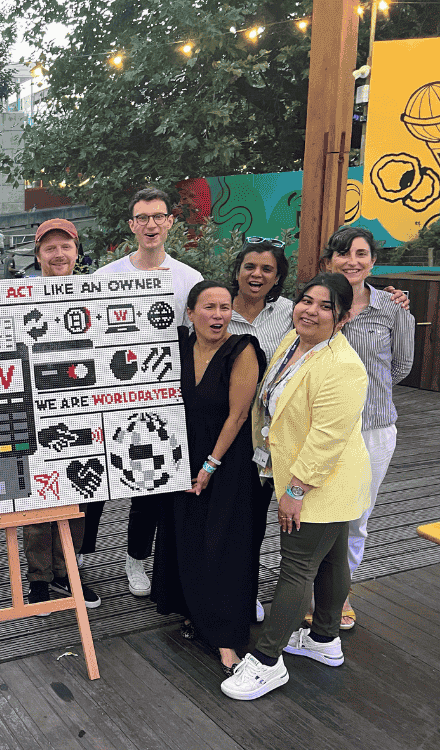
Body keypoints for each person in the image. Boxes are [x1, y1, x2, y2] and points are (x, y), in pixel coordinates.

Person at [221, 272, 370, 701]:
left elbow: (327, 436)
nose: (311, 311)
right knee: (332, 557)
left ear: (342, 319)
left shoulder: (343, 367)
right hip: (315, 478)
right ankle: (324, 639)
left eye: (326, 307)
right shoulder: (294, 341)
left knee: (296, 568)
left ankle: (267, 662)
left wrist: (297, 490)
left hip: (320, 483)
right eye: (307, 301)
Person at [151, 281, 265, 674]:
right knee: (186, 537)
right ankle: (193, 612)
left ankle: (227, 638)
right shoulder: (178, 348)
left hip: (228, 462)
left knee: (224, 546)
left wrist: (209, 466)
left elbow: (238, 415)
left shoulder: (243, 349)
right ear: (190, 313)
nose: (218, 314)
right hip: (181, 457)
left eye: (224, 307)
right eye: (209, 307)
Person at [95, 187, 204, 597]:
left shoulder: (189, 279)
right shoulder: (104, 278)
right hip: (113, 394)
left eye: (158, 216)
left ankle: (136, 559)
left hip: (166, 399)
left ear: (170, 221)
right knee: (97, 486)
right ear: (131, 225)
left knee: (152, 482)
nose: (151, 225)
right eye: (142, 218)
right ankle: (80, 557)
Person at [320, 226, 415, 630]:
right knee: (320, 514)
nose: (352, 261)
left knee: (358, 515)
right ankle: (310, 588)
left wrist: (365, 396)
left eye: (360, 254)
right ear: (329, 261)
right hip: (324, 429)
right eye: (343, 254)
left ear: (373, 261)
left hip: (374, 428)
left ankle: (339, 594)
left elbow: (401, 366)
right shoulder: (318, 303)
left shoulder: (393, 309)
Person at [24, 218, 101, 612]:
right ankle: (38, 576)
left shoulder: (93, 294)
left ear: (76, 251)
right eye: (50, 248)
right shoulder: (18, 296)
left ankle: (67, 571)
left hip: (82, 405)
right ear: (38, 255)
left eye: (65, 247)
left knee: (78, 492)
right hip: (34, 408)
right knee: (38, 492)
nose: (58, 255)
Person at [227, 238, 293, 624]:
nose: (257, 275)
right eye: (250, 266)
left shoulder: (289, 314)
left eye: (267, 269)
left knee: (253, 518)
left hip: (266, 436)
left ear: (278, 276)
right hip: (221, 428)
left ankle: (246, 590)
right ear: (238, 269)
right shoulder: (218, 307)